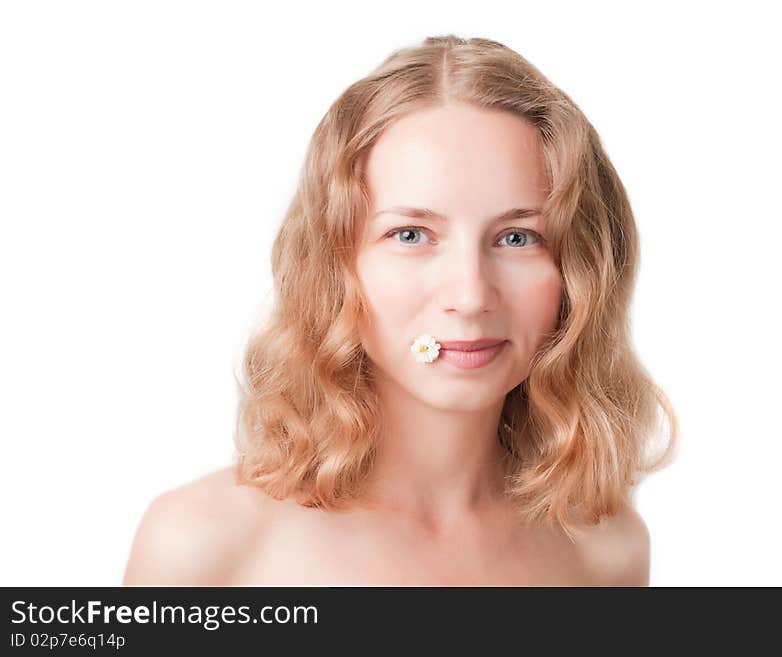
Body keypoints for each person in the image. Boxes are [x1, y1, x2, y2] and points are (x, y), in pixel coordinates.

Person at [123, 34, 677, 586]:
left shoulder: (606, 548)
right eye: (411, 234)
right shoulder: (204, 544)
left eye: (517, 238)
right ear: (335, 262)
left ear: (583, 273)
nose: (470, 295)